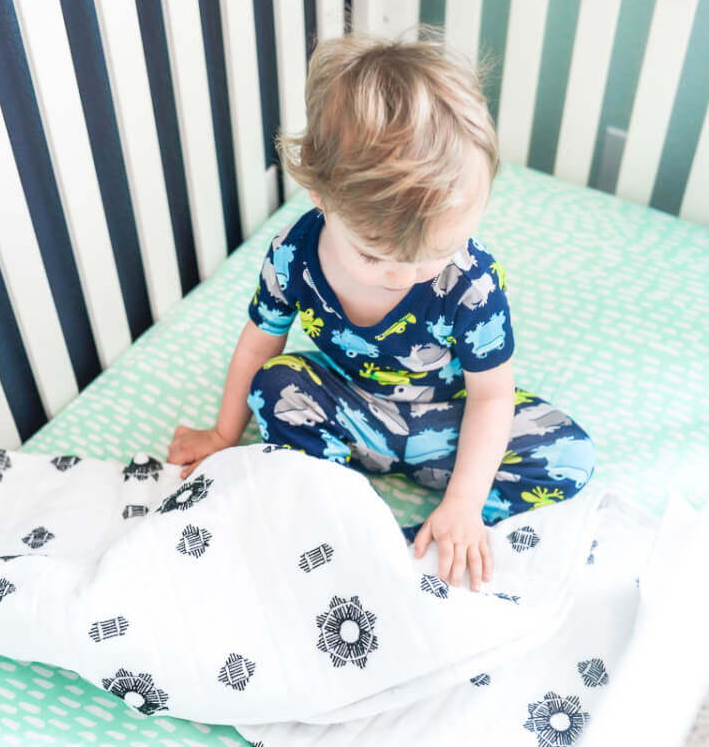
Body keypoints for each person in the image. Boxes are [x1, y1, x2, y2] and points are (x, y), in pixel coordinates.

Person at [168, 30, 595, 593]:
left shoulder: (470, 284)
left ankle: (429, 534)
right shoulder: (294, 254)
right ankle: (339, 508)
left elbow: (491, 397)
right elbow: (257, 342)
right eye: (375, 255)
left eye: (435, 253)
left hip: (448, 424)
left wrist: (465, 502)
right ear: (320, 197)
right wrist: (225, 435)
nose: (407, 275)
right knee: (274, 384)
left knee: (568, 454)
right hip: (349, 412)